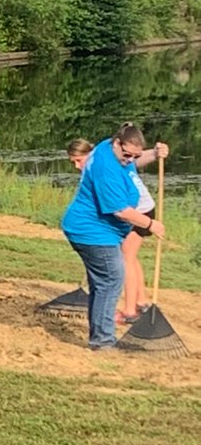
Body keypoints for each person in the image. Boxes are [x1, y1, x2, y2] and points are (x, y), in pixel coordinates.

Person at [61, 123, 164, 351]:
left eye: (134, 155)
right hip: (91, 232)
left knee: (103, 282)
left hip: (97, 231)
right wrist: (151, 224)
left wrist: (154, 154)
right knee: (112, 279)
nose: (129, 159)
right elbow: (120, 211)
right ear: (117, 143)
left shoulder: (112, 148)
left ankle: (100, 337)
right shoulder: (106, 168)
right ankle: (103, 341)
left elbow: (133, 162)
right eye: (127, 154)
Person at [118, 139, 169, 325]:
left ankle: (129, 311)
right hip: (142, 208)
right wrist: (155, 153)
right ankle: (141, 301)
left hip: (139, 212)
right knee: (130, 255)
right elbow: (136, 160)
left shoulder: (114, 161)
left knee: (125, 257)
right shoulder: (118, 159)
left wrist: (155, 153)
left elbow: (136, 159)